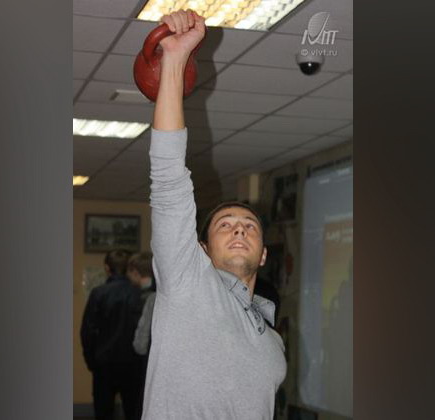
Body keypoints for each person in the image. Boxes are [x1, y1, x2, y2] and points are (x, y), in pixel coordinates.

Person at [142, 10, 286, 419]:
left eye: (249, 226)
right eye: (225, 226)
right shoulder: (188, 282)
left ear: (263, 254)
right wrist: (175, 59)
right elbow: (168, 179)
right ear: (202, 249)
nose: (239, 230)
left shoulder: (271, 337)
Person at [80, 249, 143, 420]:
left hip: (104, 364)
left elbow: (87, 332)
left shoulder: (98, 293)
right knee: (134, 412)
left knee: (103, 412)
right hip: (133, 364)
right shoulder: (138, 293)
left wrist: (91, 361)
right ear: (129, 268)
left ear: (107, 268)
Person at [126, 252, 156, 419]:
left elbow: (139, 343)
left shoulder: (139, 298)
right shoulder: (165, 294)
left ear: (135, 272)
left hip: (142, 363)